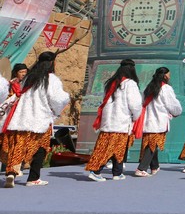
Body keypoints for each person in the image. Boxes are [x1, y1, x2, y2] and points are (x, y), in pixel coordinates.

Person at [0, 52, 70, 187]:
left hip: (21, 118)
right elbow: (58, 99)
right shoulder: (51, 79)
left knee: (18, 147)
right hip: (40, 119)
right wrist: (58, 108)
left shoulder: (28, 78)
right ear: (52, 62)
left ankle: (11, 174)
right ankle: (33, 178)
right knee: (40, 148)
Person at [86, 59, 142, 181]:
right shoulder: (130, 84)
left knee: (117, 148)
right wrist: (135, 117)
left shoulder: (112, 83)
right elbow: (136, 105)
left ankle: (117, 172)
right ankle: (96, 171)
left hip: (108, 121)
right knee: (110, 148)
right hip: (120, 121)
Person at [133, 67, 182, 177]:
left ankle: (154, 166)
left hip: (148, 120)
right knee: (152, 144)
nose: (169, 77)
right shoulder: (166, 88)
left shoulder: (149, 87)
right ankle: (141, 168)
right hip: (158, 120)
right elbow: (172, 104)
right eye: (169, 75)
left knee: (151, 144)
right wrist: (177, 112)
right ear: (165, 76)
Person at [0, 62, 29, 176]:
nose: (23, 74)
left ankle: (16, 167)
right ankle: (10, 167)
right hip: (10, 117)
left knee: (21, 142)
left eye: (25, 72)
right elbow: (6, 99)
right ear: (16, 73)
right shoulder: (10, 85)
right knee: (8, 143)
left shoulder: (28, 85)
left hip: (23, 117)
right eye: (21, 72)